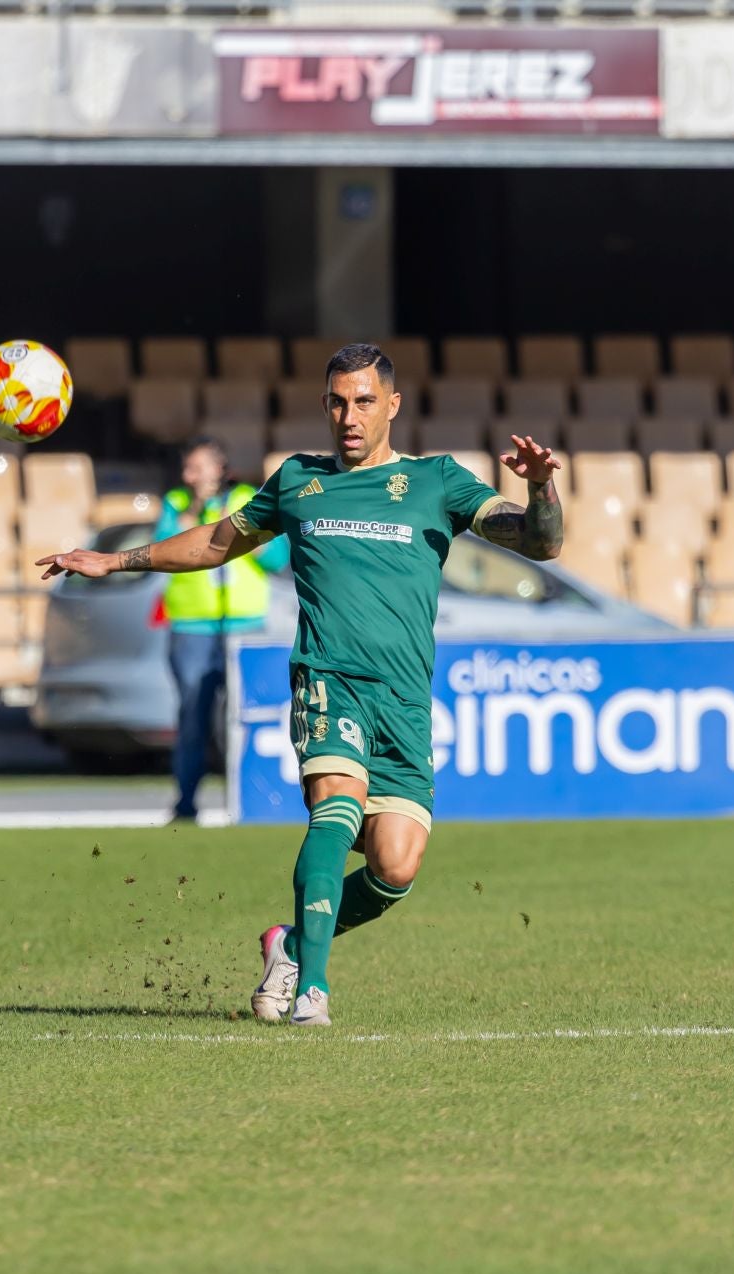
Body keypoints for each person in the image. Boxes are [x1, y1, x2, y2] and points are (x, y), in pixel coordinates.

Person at [38, 342, 562, 1027]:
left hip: (403, 701)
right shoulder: (299, 481)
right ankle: (311, 988)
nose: (351, 416)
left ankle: (287, 944)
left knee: (394, 869)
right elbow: (217, 542)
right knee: (335, 806)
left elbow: (538, 542)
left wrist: (543, 488)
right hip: (328, 679)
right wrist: (118, 559)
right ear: (325, 406)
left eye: (365, 402)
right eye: (339, 402)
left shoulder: (438, 481)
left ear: (392, 406)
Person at [155, 436, 290, 822]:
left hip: (244, 628)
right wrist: (196, 515)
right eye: (187, 469)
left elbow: (279, 557)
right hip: (192, 627)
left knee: (245, 716)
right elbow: (162, 550)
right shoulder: (176, 504)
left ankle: (249, 800)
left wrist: (252, 540)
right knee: (193, 716)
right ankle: (186, 802)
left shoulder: (248, 498)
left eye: (198, 467)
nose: (190, 476)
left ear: (220, 469)